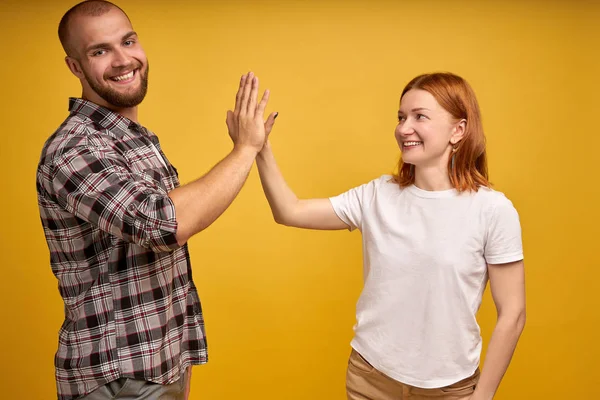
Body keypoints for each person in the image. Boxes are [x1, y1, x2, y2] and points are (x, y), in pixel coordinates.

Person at [36, 1, 274, 399]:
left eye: (128, 41)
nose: (122, 59)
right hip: (119, 377)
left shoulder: (129, 136)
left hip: (159, 362)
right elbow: (161, 224)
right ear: (75, 67)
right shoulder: (74, 149)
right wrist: (245, 150)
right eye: (100, 51)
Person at [252, 72, 526, 399]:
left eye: (419, 116)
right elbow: (289, 210)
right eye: (401, 117)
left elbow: (513, 313)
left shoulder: (492, 210)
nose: (403, 128)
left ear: (459, 130)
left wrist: (482, 397)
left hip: (449, 388)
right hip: (370, 379)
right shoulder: (378, 195)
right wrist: (259, 148)